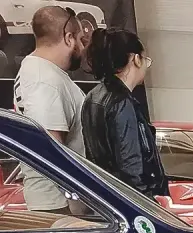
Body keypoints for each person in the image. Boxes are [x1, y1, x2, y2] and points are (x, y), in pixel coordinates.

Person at [12, 6, 87, 212]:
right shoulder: (44, 80)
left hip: (58, 202)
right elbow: (49, 150)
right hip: (58, 205)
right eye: (81, 40)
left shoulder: (38, 70)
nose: (83, 47)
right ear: (69, 38)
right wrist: (71, 206)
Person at [81, 28, 168, 197]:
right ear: (136, 59)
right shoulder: (122, 103)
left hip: (106, 196)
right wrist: (149, 204)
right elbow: (131, 167)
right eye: (145, 59)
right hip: (133, 202)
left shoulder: (92, 97)